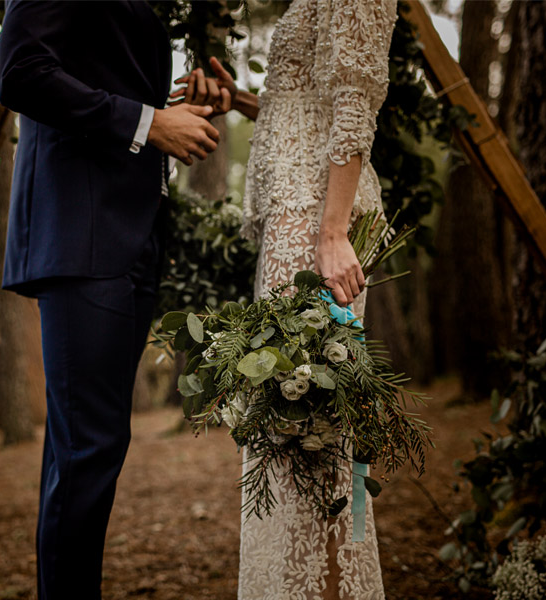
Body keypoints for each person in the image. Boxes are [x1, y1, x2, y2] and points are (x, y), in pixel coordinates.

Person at [170, 0, 398, 597]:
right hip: (297, 218)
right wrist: (243, 101)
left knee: (308, 435)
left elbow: (355, 97)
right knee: (295, 435)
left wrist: (332, 232)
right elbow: (309, 104)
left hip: (314, 221)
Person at [0, 2, 221, 599]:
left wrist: (178, 112)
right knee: (88, 449)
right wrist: (149, 124)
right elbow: (19, 72)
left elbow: (103, 70)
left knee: (88, 447)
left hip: (130, 234)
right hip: (81, 231)